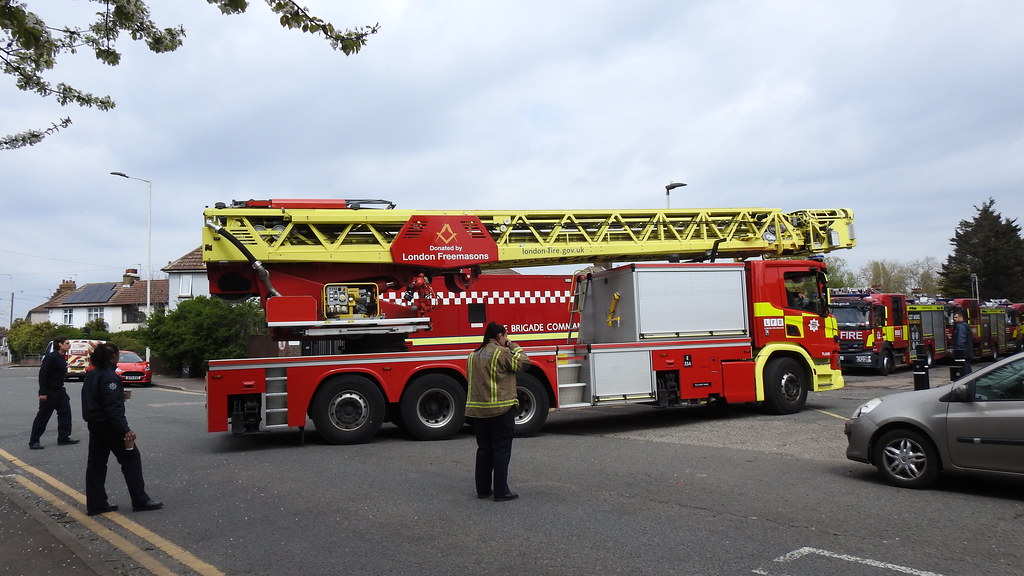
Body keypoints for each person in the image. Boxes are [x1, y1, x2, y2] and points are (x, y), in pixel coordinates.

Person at [81, 342, 163, 515]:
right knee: (131, 460)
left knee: (96, 464)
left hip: (95, 425)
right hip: (110, 426)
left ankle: (96, 503)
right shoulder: (110, 377)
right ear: (112, 357)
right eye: (117, 355)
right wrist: (125, 430)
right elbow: (112, 408)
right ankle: (140, 500)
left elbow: (95, 399)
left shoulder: (92, 374)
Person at [465, 322, 528, 502]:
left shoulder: (473, 355)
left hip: (478, 411)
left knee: (484, 449)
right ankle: (501, 491)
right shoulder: (501, 352)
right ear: (500, 336)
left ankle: (483, 489)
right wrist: (512, 345)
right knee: (501, 450)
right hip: (500, 409)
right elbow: (524, 362)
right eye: (505, 335)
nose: (506, 338)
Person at [29, 337, 78, 449]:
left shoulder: (62, 357)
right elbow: (43, 375)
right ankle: (34, 441)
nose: (69, 345)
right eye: (67, 343)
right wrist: (43, 393)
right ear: (60, 344)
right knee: (43, 416)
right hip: (49, 391)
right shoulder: (51, 357)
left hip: (60, 390)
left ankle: (63, 437)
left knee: (65, 413)